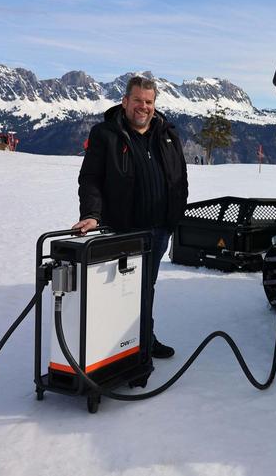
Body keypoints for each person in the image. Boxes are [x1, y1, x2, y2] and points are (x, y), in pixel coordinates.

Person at [71, 76, 189, 359]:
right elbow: (91, 179)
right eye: (137, 100)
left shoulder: (167, 134)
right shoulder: (106, 134)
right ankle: (118, 349)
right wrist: (91, 214)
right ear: (125, 101)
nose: (143, 107)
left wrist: (176, 214)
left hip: (160, 229)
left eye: (148, 102)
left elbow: (179, 177)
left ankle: (144, 338)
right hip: (124, 230)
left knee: (146, 287)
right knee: (121, 291)